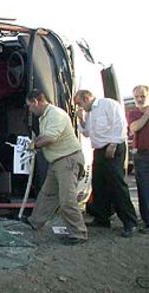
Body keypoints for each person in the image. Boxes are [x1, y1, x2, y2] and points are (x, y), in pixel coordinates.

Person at [23, 89, 87, 245]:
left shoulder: (55, 114)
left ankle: (78, 233)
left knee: (67, 198)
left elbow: (51, 137)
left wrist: (34, 145)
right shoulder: (45, 116)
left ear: (35, 102)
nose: (30, 110)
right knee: (47, 194)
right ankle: (35, 221)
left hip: (67, 160)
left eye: (30, 106)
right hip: (58, 161)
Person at [74, 90, 138, 237]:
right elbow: (87, 133)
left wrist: (114, 143)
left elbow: (120, 123)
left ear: (87, 98)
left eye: (80, 103)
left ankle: (130, 221)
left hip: (112, 146)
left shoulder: (108, 104)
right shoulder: (89, 113)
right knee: (99, 183)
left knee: (117, 184)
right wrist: (81, 120)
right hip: (99, 149)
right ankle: (102, 217)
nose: (80, 107)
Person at [127, 85, 149, 234]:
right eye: (137, 97)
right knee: (144, 188)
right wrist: (147, 114)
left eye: (143, 96)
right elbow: (134, 127)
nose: (140, 99)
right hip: (141, 155)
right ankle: (147, 221)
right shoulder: (133, 113)